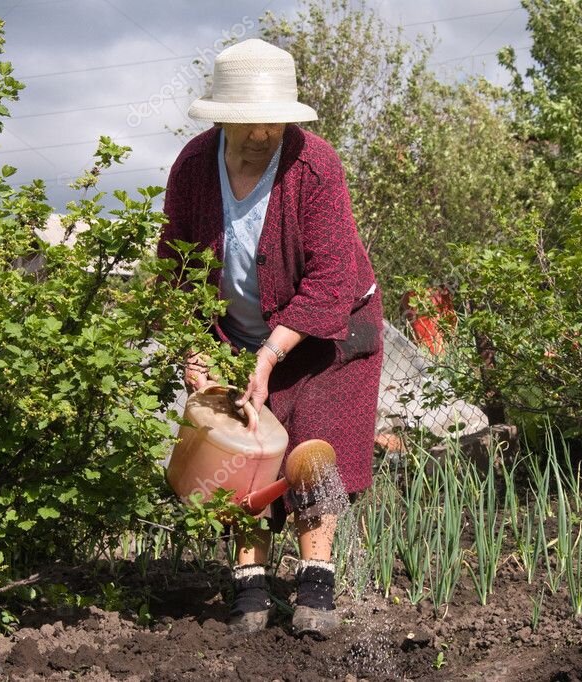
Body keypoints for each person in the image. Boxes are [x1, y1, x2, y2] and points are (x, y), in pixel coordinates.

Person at [157, 38, 383, 638]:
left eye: (273, 122)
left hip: (330, 334)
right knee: (243, 448)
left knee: (313, 445)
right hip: (235, 330)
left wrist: (271, 352)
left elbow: (334, 275)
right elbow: (174, 267)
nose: (263, 134)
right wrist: (194, 350)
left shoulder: (314, 164)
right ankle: (250, 588)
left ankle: (316, 586)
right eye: (250, 123)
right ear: (224, 118)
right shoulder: (192, 168)